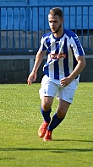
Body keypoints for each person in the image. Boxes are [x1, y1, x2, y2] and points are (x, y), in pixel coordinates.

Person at [27, 7, 86, 141]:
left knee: (61, 111)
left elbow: (82, 62)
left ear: (62, 21)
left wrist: (70, 78)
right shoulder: (46, 38)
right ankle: (46, 121)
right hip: (51, 76)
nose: (52, 25)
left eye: (55, 22)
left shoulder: (71, 38)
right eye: (50, 22)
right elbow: (41, 52)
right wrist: (34, 71)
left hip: (70, 78)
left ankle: (49, 130)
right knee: (46, 104)